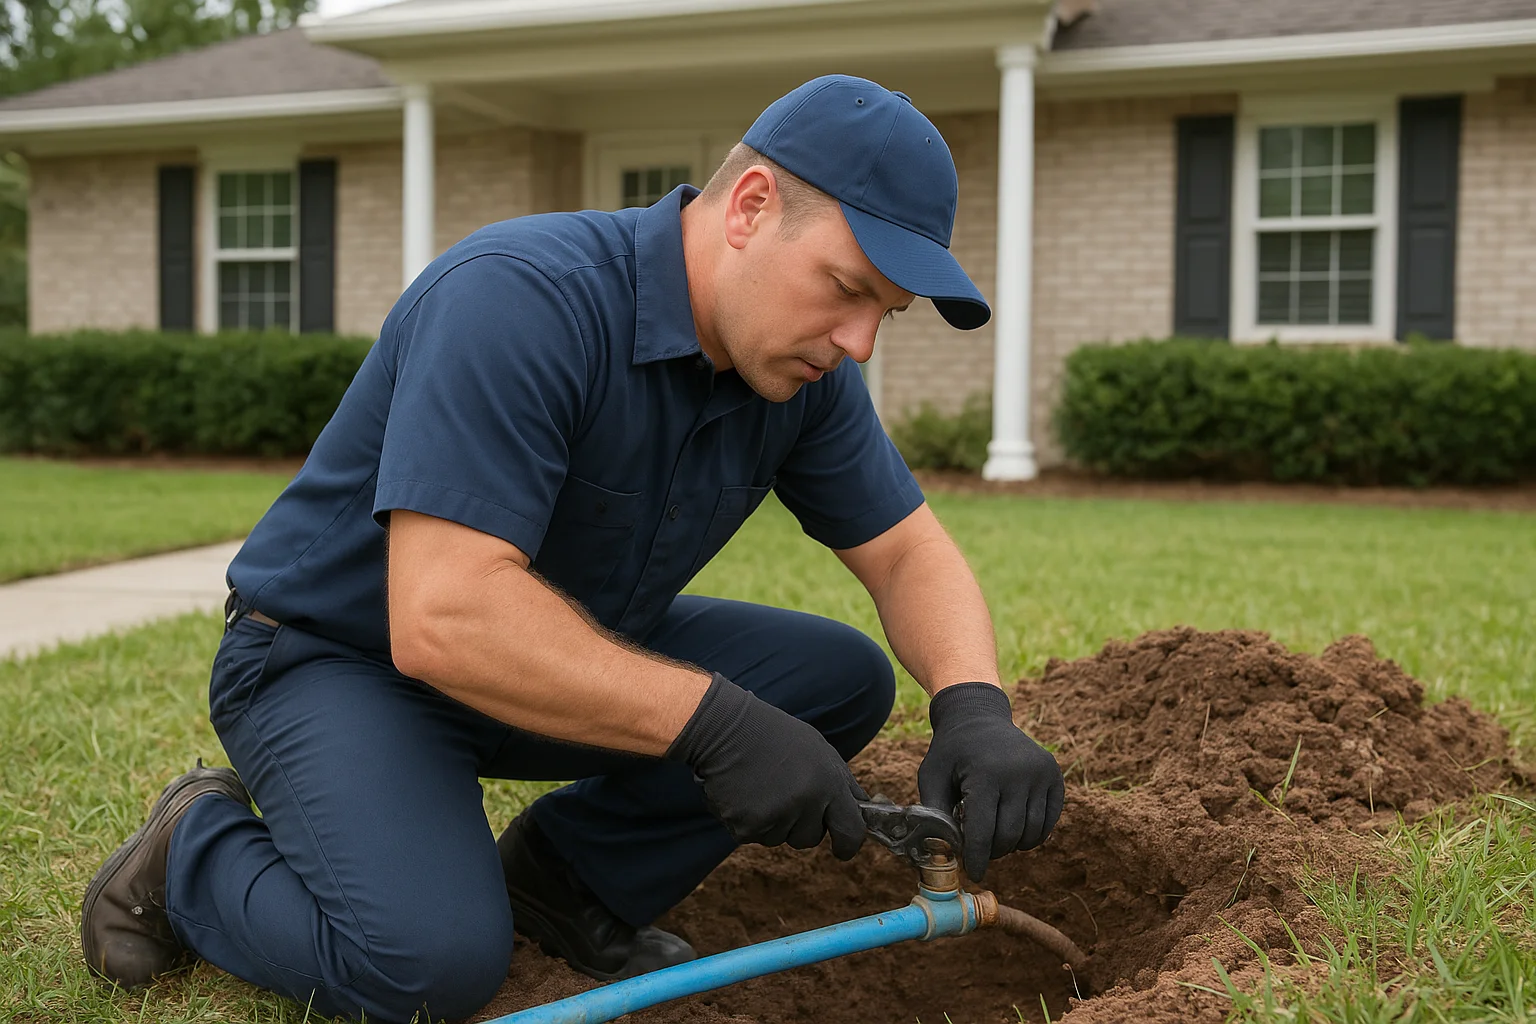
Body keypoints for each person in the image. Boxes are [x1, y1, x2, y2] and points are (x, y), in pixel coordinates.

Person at [80, 74, 1065, 1023]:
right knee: (427, 964)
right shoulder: (521, 299)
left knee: (838, 678)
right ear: (751, 207)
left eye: (882, 313)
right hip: (336, 658)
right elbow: (444, 614)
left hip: (543, 658)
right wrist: (717, 725)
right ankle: (191, 851)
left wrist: (974, 709)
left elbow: (906, 553)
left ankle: (564, 880)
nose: (858, 343)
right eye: (847, 289)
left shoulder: (799, 374)